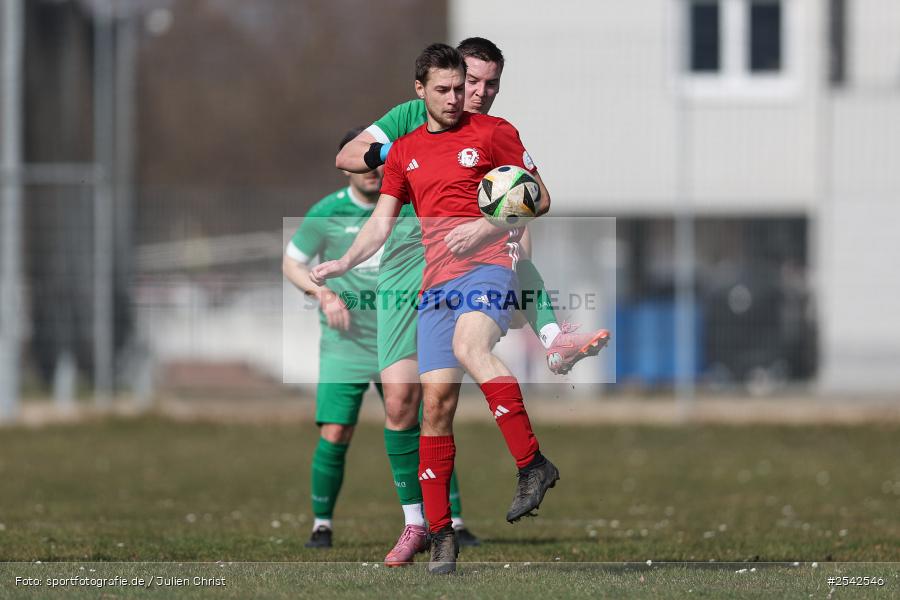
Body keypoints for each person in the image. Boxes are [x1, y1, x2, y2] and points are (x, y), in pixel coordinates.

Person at [335, 37, 609, 567]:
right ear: (423, 91)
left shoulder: (494, 132)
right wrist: (342, 263)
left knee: (471, 346)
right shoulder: (407, 142)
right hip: (430, 283)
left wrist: (490, 225)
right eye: (455, 87)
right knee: (431, 406)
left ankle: (532, 461)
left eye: (475, 87)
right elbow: (373, 208)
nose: (466, 96)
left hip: (483, 269)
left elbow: (539, 197)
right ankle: (438, 534)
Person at [282, 127, 386, 549]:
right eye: (362, 160)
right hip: (346, 343)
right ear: (346, 163)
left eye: (376, 159)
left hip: (401, 337)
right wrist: (323, 295)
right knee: (337, 431)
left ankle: (448, 522)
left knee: (424, 426)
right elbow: (291, 264)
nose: (371, 169)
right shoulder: (327, 211)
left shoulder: (408, 206)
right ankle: (321, 524)